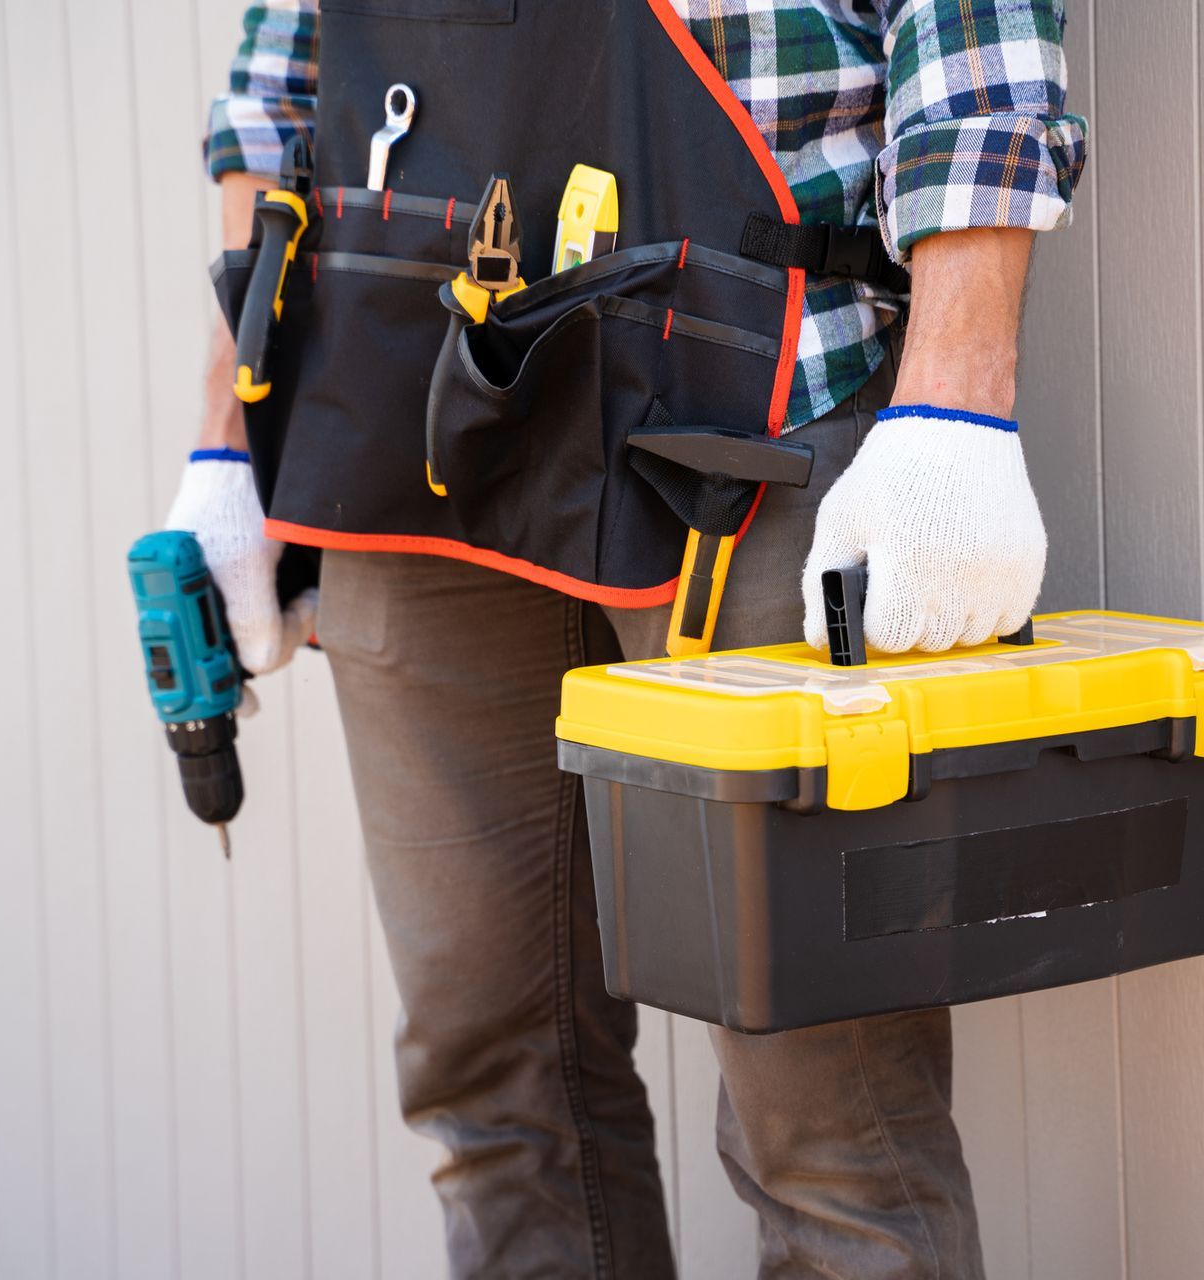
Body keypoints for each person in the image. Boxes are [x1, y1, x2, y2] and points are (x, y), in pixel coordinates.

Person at [169, 2, 1086, 1274]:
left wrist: (959, 397)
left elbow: (973, 36)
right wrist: (231, 431)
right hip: (404, 422)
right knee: (495, 1085)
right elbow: (278, 82)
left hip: (748, 400)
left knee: (829, 1129)